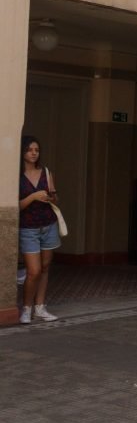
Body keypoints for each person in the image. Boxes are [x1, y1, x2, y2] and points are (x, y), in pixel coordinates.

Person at [18, 136, 60, 324]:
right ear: (22, 152)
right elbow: (17, 206)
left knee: (44, 268)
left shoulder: (46, 172)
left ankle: (40, 308)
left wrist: (50, 198)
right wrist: (34, 196)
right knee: (33, 270)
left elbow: (55, 198)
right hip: (28, 228)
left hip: (49, 225)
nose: (34, 153)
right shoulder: (16, 176)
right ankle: (26, 309)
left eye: (36, 149)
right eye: (29, 150)